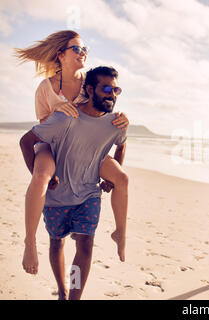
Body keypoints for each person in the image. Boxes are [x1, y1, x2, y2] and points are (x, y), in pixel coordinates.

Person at [14, 31, 129, 275]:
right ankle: (30, 242)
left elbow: (103, 107)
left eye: (85, 48)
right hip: (53, 142)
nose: (83, 52)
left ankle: (120, 232)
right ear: (61, 55)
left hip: (81, 145)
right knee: (42, 175)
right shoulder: (46, 87)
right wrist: (34, 168)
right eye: (76, 49)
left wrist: (120, 118)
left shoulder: (90, 82)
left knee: (121, 178)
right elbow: (41, 127)